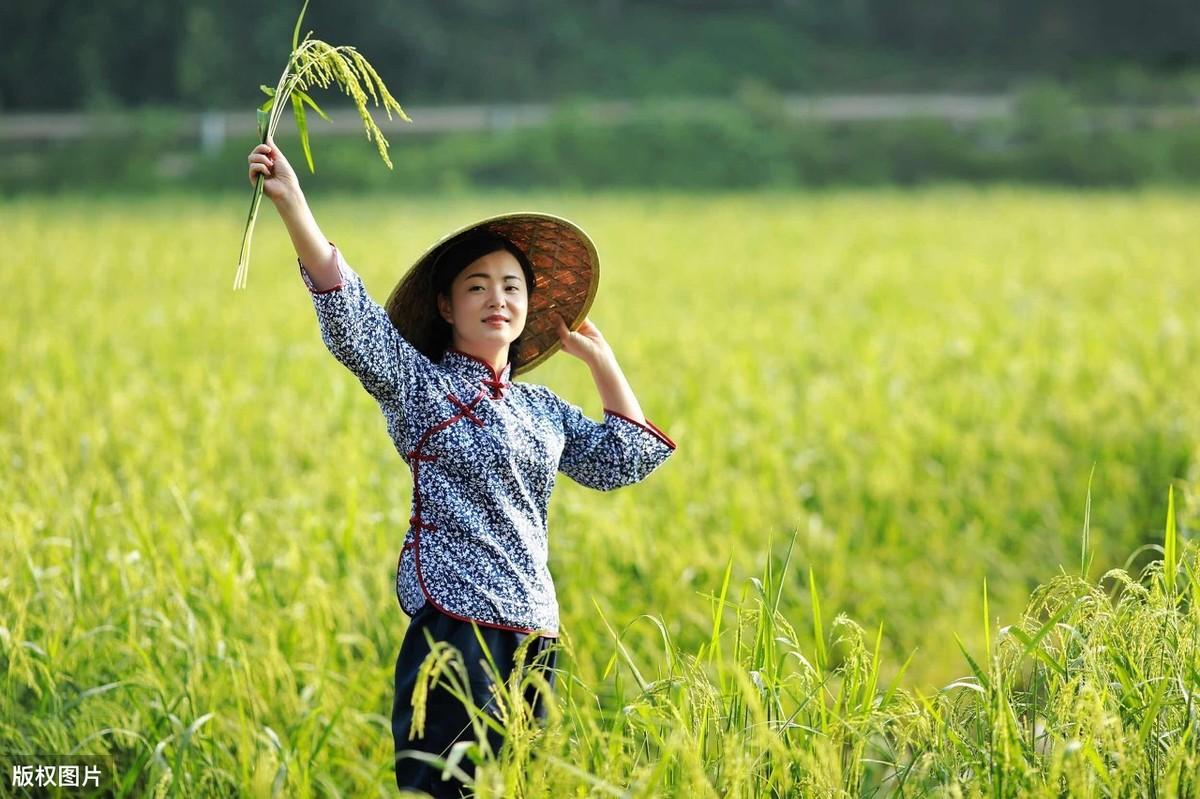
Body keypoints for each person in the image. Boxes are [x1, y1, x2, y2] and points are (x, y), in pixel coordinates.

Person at [246, 137, 677, 796]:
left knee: (523, 788)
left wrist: (602, 364)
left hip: (535, 634)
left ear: (529, 307)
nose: (496, 298)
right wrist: (295, 207)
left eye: (511, 287)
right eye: (477, 286)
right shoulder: (421, 387)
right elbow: (353, 323)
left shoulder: (543, 409)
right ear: (447, 306)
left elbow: (622, 459)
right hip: (455, 628)